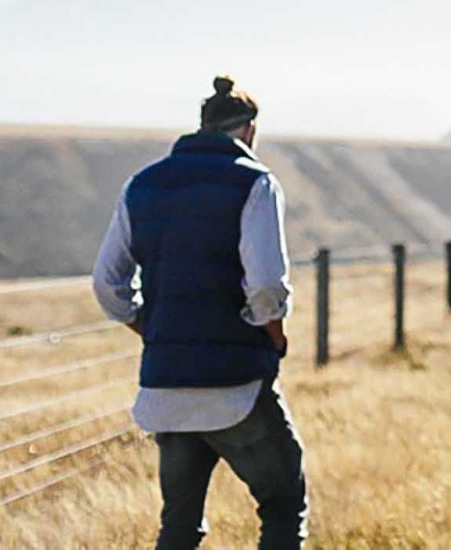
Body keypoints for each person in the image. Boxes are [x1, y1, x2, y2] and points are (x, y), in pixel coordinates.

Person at [93, 76, 307, 549]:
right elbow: (266, 283)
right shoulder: (255, 183)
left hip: (166, 387)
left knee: (179, 526)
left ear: (202, 125)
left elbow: (107, 284)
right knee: (282, 504)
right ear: (249, 130)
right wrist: (273, 332)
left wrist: (149, 328)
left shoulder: (141, 185)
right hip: (236, 385)